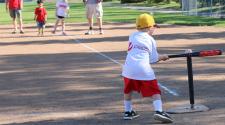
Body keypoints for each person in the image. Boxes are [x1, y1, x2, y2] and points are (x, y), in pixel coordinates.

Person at [122, 13, 173, 123]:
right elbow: (153, 59)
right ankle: (159, 111)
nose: (154, 29)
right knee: (155, 91)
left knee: (128, 89)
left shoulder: (132, 36)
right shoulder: (150, 39)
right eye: (154, 27)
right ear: (150, 27)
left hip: (128, 68)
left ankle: (128, 111)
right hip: (143, 69)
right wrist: (163, 57)